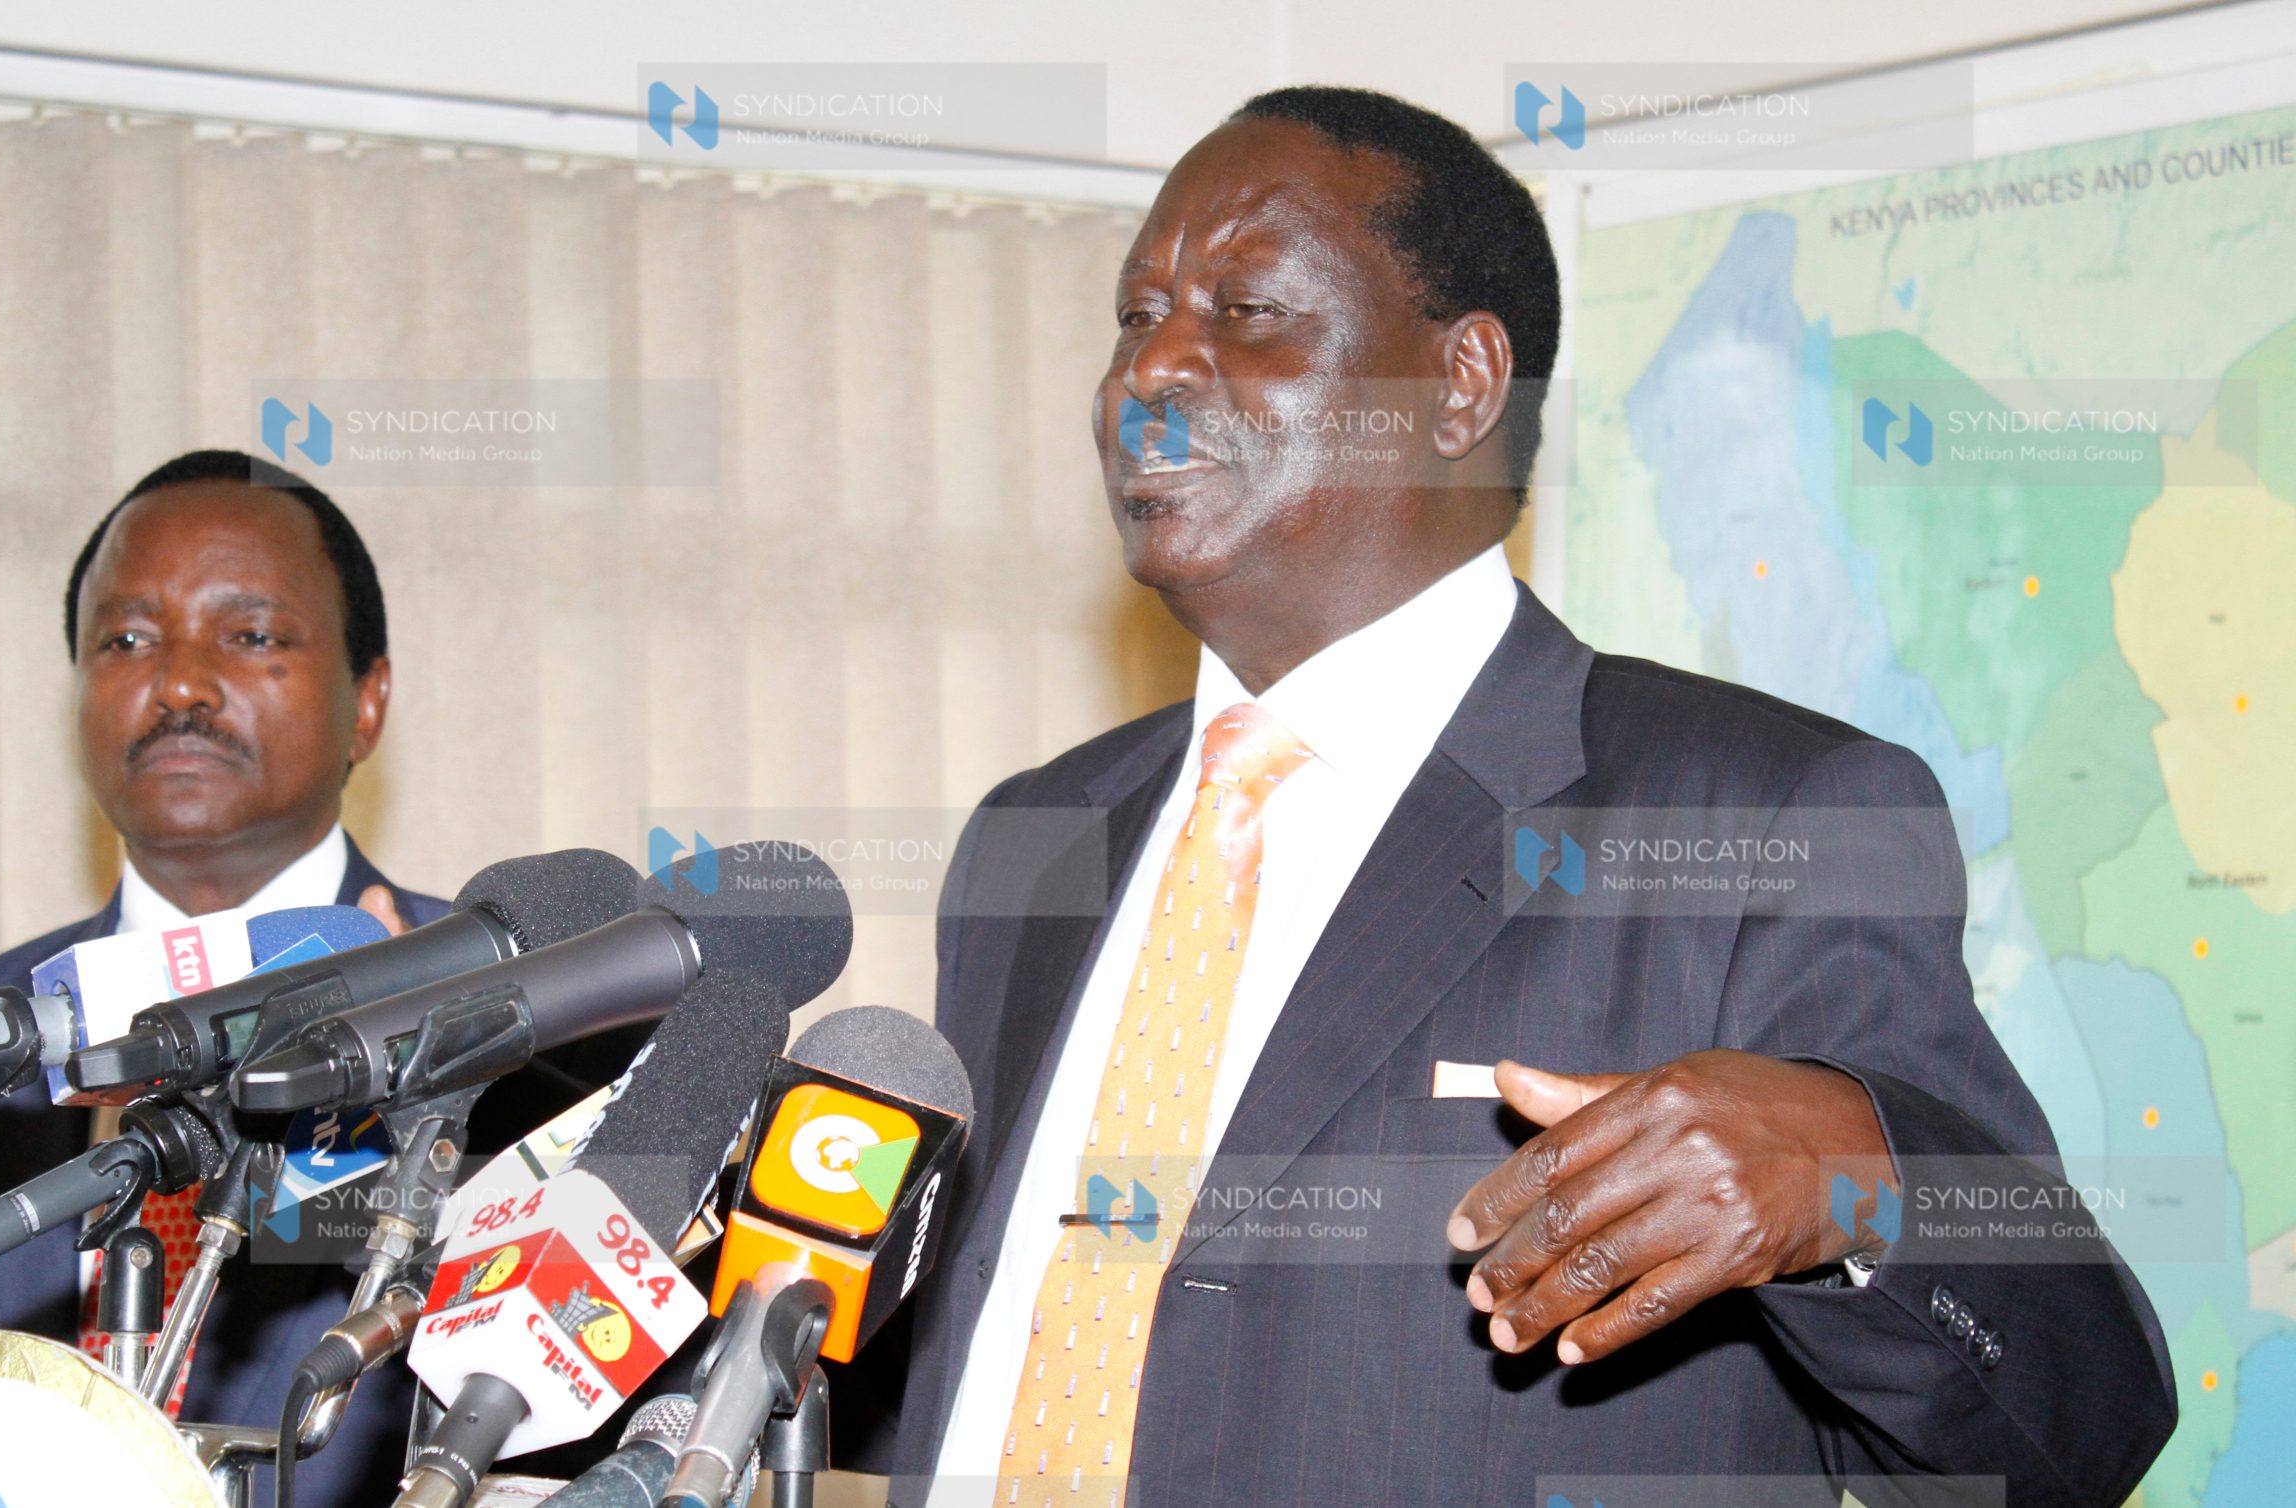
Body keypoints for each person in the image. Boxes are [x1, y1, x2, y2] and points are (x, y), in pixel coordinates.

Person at [865, 89, 2176, 1507]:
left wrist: (1844, 1190)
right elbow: (981, 1361)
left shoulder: (1764, 817)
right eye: (1135, 314)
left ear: (1464, 385)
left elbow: (2077, 1421)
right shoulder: (1036, 834)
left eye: (1244, 311)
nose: (1153, 368)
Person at [0, 451, 520, 1505]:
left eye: (251, 635)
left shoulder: (530, 1022)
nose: (180, 684)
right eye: (126, 640)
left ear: (366, 703)